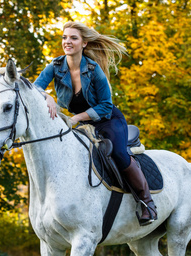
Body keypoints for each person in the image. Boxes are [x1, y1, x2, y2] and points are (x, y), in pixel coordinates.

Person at [34, 22, 157, 226]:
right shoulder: (55, 66)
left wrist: (76, 118)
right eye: (65, 37)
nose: (67, 42)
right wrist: (46, 96)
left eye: (73, 38)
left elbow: (106, 106)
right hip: (80, 122)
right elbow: (35, 87)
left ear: (84, 43)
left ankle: (147, 203)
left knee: (118, 153)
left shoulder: (93, 69)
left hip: (108, 120)